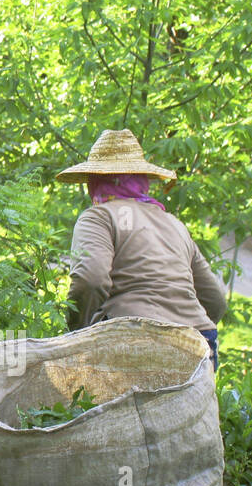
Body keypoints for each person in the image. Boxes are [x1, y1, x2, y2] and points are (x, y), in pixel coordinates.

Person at [57, 129, 227, 370]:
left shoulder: (99, 217)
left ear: (94, 182)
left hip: (133, 337)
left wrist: (76, 333)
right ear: (141, 180)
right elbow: (216, 300)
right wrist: (186, 324)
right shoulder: (174, 224)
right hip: (199, 345)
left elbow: (91, 280)